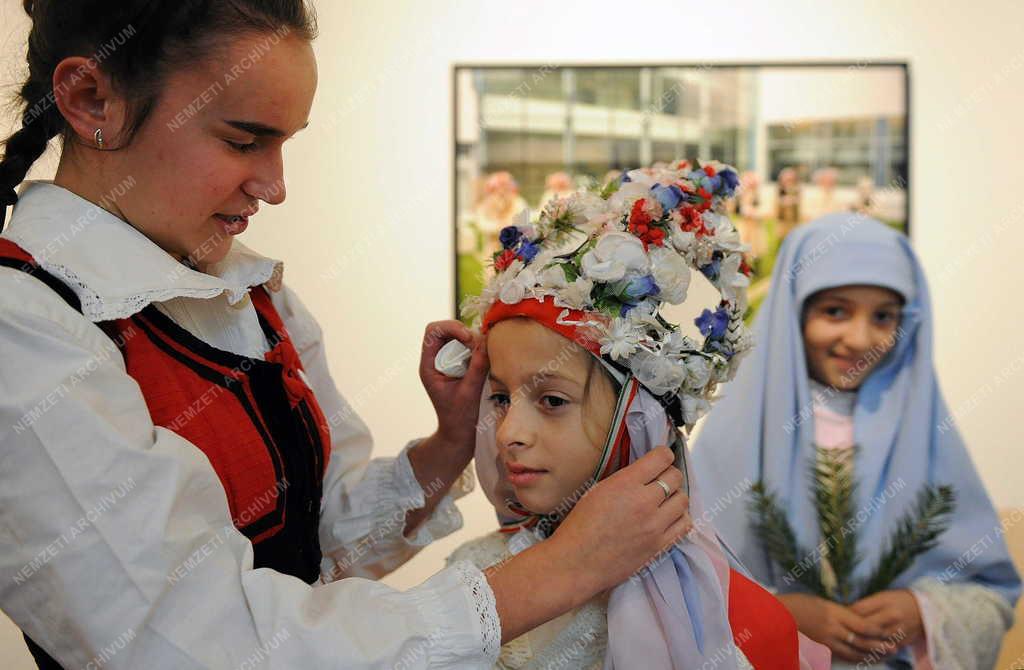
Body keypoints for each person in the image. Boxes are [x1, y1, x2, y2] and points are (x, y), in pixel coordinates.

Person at [0, 3, 690, 668]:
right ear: (91, 99)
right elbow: (194, 642)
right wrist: (559, 572)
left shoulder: (249, 295)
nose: (274, 186)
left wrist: (446, 448)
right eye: (243, 140)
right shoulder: (24, 329)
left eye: (284, 144)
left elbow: (322, 543)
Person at [446, 160, 831, 669]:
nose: (510, 433)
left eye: (552, 402)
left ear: (640, 421)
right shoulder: (471, 582)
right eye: (500, 399)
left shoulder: (720, 616)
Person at [691, 213, 1021, 668]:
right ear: (794, 312)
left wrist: (923, 609)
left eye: (884, 316)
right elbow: (687, 584)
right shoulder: (741, 428)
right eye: (835, 311)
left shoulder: (922, 427)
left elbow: (990, 590)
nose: (860, 338)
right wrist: (782, 612)